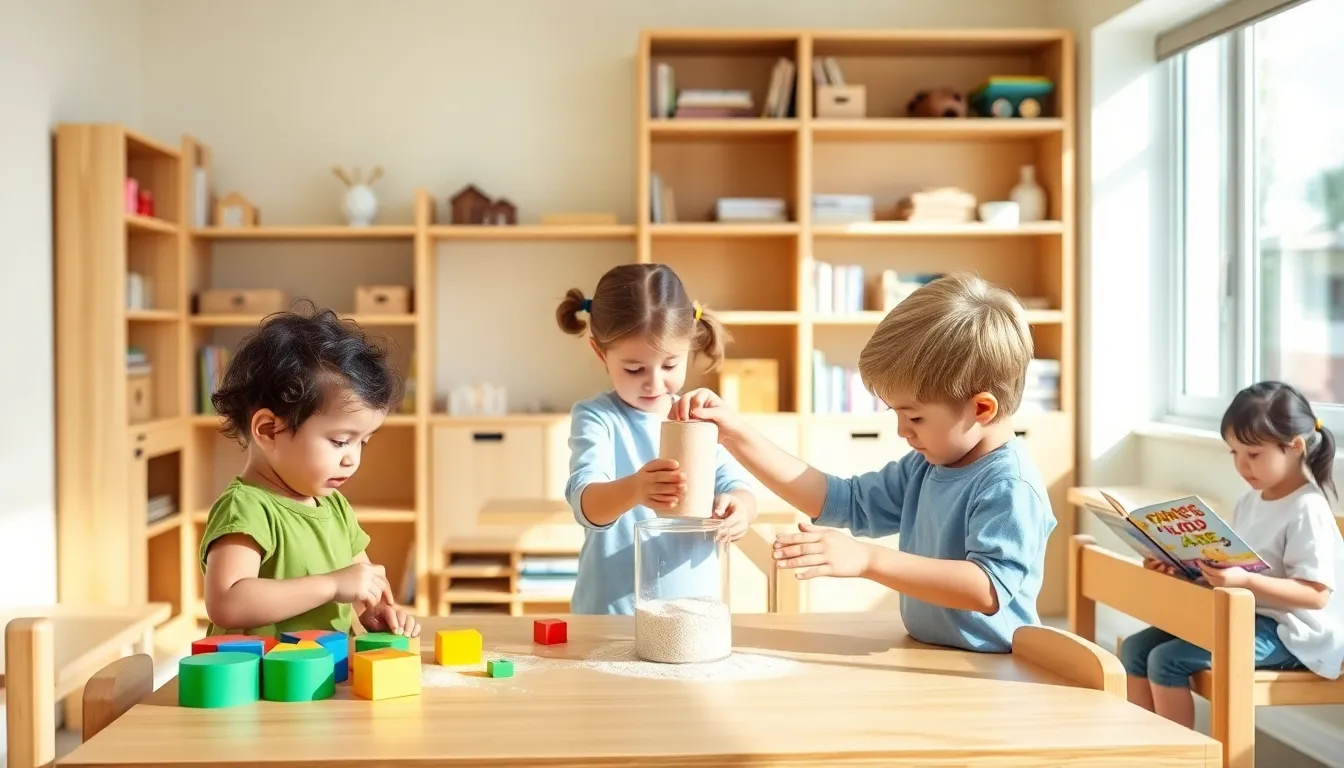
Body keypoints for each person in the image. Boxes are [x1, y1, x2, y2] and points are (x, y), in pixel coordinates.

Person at [672, 272, 1055, 653]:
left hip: (994, 673)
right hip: (927, 657)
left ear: (982, 408)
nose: (903, 431)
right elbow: (844, 500)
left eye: (915, 417)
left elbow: (987, 588)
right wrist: (736, 434)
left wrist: (868, 560)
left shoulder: (1010, 486)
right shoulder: (927, 466)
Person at [1120, 381, 1344, 728]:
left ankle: (1179, 759)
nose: (1242, 465)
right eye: (1234, 453)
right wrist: (1184, 569)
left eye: (1253, 454)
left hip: (1295, 635)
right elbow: (1235, 568)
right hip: (1246, 617)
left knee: (1167, 659)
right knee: (1135, 649)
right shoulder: (1250, 501)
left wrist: (1244, 581)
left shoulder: (1307, 508)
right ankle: (1144, 750)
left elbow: (1315, 595)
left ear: (1296, 446)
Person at [199, 304, 420, 640]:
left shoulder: (334, 507)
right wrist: (332, 585)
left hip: (323, 678)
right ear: (270, 430)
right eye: (341, 441)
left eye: (364, 442)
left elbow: (360, 586)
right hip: (265, 686)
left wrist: (378, 612)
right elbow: (227, 602)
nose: (353, 459)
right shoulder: (246, 509)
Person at [557, 263, 759, 614]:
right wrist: (635, 489)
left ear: (690, 346)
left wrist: (740, 508)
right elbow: (585, 503)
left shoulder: (700, 414)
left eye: (669, 366)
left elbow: (737, 484)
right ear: (600, 353)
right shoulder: (597, 417)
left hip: (690, 610)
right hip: (609, 615)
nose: (653, 383)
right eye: (634, 369)